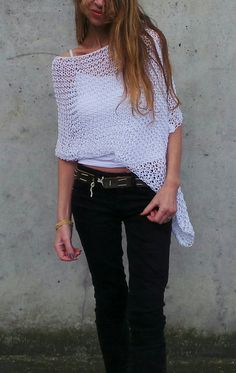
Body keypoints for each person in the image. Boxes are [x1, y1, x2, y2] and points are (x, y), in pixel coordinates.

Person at [52, 1, 195, 372]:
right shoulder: (67, 65)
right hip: (90, 195)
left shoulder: (147, 44)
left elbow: (172, 118)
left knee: (147, 308)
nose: (100, 2)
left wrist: (170, 185)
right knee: (110, 299)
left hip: (145, 192)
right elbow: (67, 147)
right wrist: (62, 221)